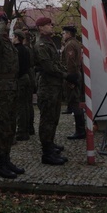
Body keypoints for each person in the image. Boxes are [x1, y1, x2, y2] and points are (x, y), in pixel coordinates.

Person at [0, 11, 24, 179]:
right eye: (4, 22)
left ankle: (7, 159)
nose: (8, 23)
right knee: (2, 126)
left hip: (11, 87)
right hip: (1, 89)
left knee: (10, 126)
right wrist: (0, 23)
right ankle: (0, 164)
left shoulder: (5, 41)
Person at [34, 17, 76, 165]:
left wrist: (68, 75)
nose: (51, 26)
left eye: (51, 24)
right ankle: (47, 153)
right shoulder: (41, 45)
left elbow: (56, 64)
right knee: (47, 120)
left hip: (54, 86)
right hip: (47, 88)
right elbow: (48, 67)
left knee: (54, 118)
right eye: (47, 24)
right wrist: (66, 75)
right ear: (40, 28)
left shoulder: (49, 43)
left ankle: (50, 145)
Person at [61, 25, 86, 140]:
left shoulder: (70, 44)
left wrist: (71, 78)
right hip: (75, 74)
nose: (62, 35)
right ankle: (80, 129)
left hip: (73, 74)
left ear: (68, 34)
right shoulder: (75, 43)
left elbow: (70, 62)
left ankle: (80, 130)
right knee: (75, 101)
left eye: (63, 33)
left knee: (75, 102)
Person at [12, 29, 31, 141]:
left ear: (17, 37)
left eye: (13, 36)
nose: (12, 39)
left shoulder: (17, 50)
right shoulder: (25, 49)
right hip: (26, 77)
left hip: (20, 79)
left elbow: (16, 67)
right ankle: (26, 129)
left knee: (20, 107)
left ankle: (22, 131)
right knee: (25, 105)